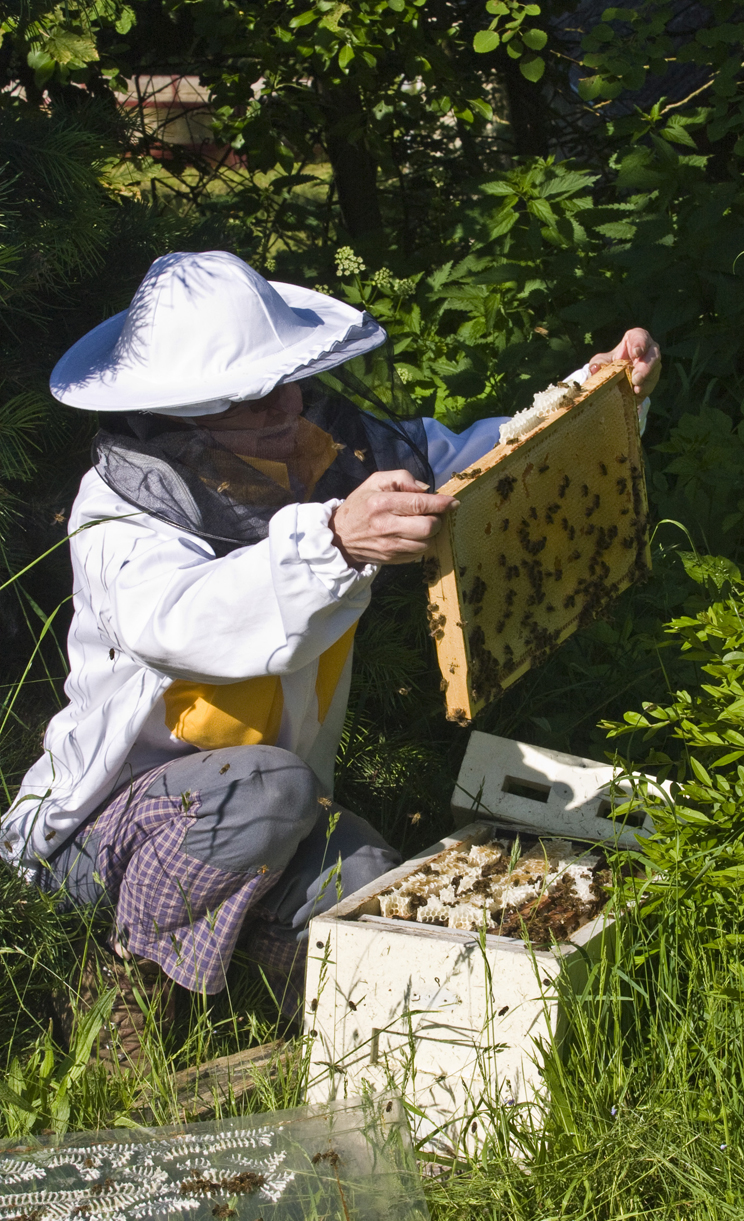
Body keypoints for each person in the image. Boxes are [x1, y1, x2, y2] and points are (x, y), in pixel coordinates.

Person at [0, 250, 661, 1067]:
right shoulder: (119, 514)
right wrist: (337, 542)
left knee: (377, 889)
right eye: (253, 398)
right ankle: (123, 991)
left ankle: (289, 1008)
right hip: (98, 838)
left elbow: (474, 469)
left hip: (264, 809)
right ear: (184, 416)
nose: (287, 405)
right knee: (265, 787)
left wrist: (592, 395)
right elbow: (179, 623)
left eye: (289, 380)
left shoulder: (312, 453)